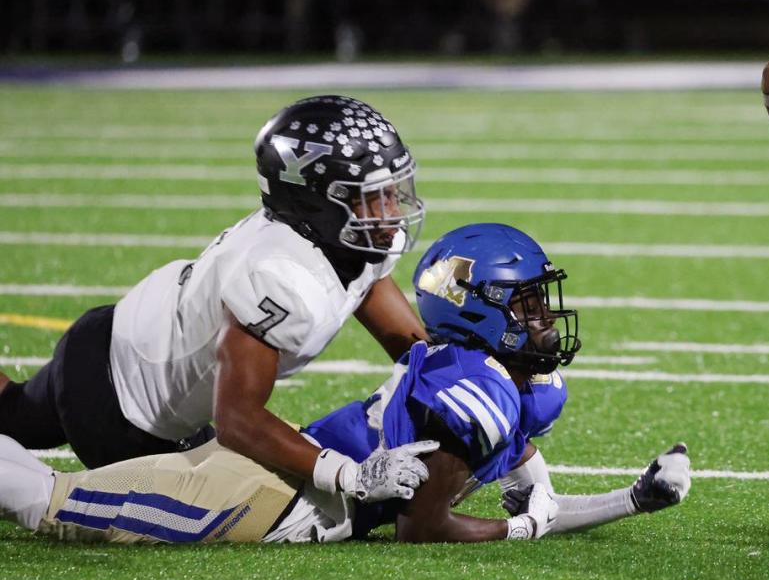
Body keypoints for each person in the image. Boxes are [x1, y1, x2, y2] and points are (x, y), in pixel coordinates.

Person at [0, 224, 691, 544]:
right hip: (268, 500)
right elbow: (427, 528)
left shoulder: (512, 389)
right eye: (528, 305)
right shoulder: (476, 395)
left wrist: (631, 500)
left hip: (273, 475)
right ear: (483, 311)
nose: (545, 319)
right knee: (50, 505)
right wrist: (516, 530)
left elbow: (540, 501)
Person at [0, 95, 434, 506]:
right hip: (118, 406)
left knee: (13, 413)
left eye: (393, 191)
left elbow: (417, 354)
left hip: (124, 342)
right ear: (317, 202)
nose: (392, 210)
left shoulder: (349, 243)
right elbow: (239, 419)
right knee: (66, 500)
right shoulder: (279, 275)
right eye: (372, 197)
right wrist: (350, 476)